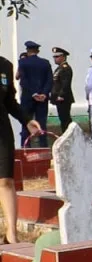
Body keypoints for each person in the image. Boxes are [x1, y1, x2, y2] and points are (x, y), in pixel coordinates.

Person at [0, 47, 42, 243]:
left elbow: (9, 101)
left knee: (6, 181)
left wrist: (26, 120)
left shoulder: (5, 65)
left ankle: (12, 235)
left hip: (1, 131)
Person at [17, 41, 52, 148]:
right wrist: (44, 94)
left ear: (27, 51)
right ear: (37, 51)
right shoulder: (45, 63)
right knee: (42, 124)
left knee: (26, 123)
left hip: (28, 98)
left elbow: (23, 81)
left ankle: (25, 148)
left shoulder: (23, 63)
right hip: (42, 99)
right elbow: (49, 80)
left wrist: (33, 93)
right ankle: (43, 147)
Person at [51, 47, 75, 133]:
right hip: (58, 99)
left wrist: (61, 95)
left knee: (65, 119)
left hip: (63, 99)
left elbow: (65, 83)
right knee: (63, 119)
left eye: (57, 56)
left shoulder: (65, 68)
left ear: (63, 57)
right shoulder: (59, 68)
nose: (55, 59)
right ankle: (66, 134)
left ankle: (69, 135)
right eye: (54, 57)